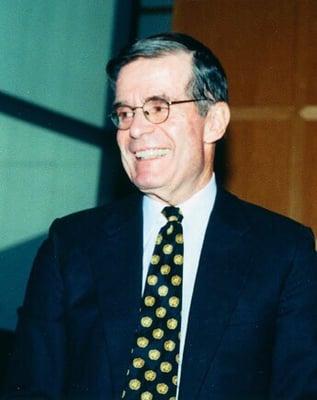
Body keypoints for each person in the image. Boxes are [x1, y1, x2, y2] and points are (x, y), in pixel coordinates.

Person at [4, 32, 317, 400]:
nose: (134, 130)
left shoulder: (283, 251)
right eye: (124, 113)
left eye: (157, 108)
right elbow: (29, 388)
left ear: (213, 121)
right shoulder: (70, 244)